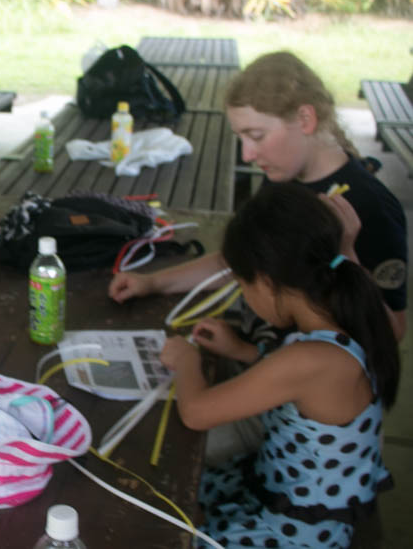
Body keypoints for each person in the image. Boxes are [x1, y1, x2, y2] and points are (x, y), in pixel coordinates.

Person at [160, 183, 398, 548]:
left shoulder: (310, 358)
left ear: (267, 282)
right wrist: (242, 350)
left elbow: (195, 412)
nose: (245, 296)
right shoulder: (342, 313)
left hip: (294, 532)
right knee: (168, 494)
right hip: (277, 488)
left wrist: (187, 361)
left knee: (160, 511)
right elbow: (301, 386)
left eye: (243, 285)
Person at [109, 51, 407, 342]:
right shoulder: (281, 180)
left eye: (256, 136)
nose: (247, 154)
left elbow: (392, 331)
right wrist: (152, 282)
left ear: (305, 119)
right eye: (241, 138)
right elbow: (242, 261)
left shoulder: (371, 207)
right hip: (262, 354)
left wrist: (346, 256)